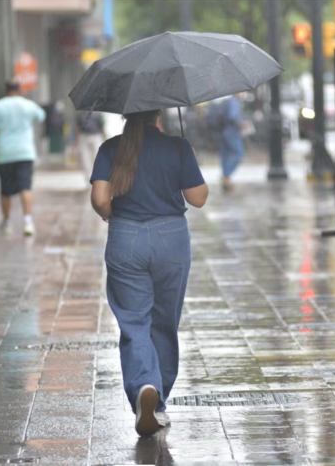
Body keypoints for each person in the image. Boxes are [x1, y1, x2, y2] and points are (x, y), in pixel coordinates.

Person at [89, 110, 208, 437]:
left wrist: (114, 216)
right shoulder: (178, 147)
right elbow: (198, 198)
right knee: (164, 320)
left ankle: (144, 386)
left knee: (134, 322)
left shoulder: (111, 148)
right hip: (171, 239)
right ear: (159, 113)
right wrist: (190, 159)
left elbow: (100, 198)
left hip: (126, 237)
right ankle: (157, 403)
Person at [0, 81, 46, 236]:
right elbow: (41, 116)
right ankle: (27, 221)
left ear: (5, 90)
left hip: (5, 154)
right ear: (19, 90)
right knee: (26, 187)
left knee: (6, 190)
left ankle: (6, 222)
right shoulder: (27, 104)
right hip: (25, 152)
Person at [216, 95, 246, 191]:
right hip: (231, 131)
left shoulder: (226, 101)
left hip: (222, 130)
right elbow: (233, 116)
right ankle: (226, 176)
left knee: (225, 154)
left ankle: (226, 178)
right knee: (239, 153)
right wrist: (242, 124)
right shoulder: (234, 102)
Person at [75, 111, 106, 180]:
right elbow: (77, 127)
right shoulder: (97, 113)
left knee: (93, 159)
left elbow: (102, 127)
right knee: (86, 159)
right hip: (87, 137)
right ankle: (91, 179)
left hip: (94, 136)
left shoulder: (82, 113)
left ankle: (95, 179)